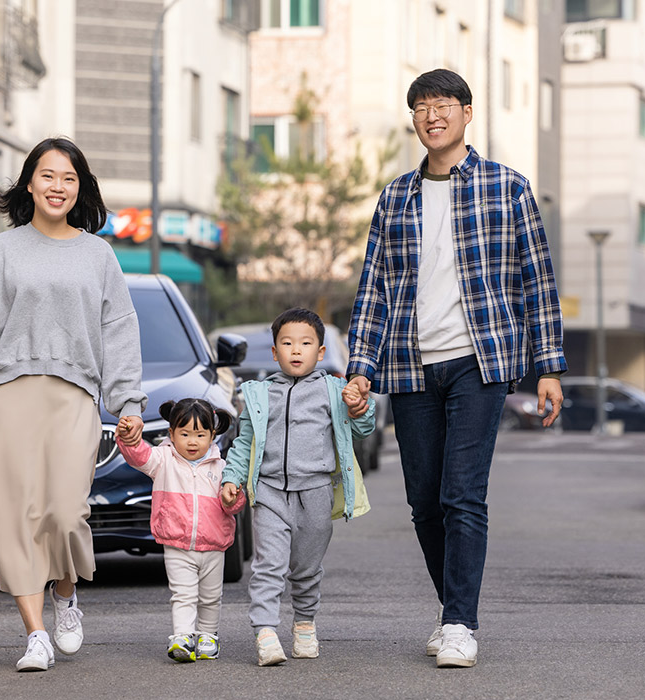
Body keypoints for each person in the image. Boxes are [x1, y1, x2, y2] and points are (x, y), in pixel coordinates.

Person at [344, 69, 568, 669]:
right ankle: (454, 611)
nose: (431, 116)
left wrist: (548, 366)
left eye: (443, 105)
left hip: (481, 360)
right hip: (412, 364)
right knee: (423, 501)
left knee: (462, 493)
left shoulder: (508, 188)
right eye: (421, 107)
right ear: (413, 119)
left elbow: (536, 280)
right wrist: (360, 367)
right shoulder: (396, 196)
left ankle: (461, 624)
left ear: (467, 113)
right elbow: (375, 286)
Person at [0, 137, 147, 672]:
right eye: (48, 176)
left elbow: (118, 331)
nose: (58, 187)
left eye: (69, 178)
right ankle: (34, 634)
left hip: (74, 396)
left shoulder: (97, 254)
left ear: (79, 188)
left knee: (63, 511)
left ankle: (65, 591)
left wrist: (127, 399)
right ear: (29, 184)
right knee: (13, 516)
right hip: (8, 394)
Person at [221, 308, 375, 666]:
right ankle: (265, 632)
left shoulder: (334, 390)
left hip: (316, 493)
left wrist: (358, 410)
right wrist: (232, 477)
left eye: (305, 343)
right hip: (270, 492)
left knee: (306, 568)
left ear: (320, 352)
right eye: (287, 343)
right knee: (267, 565)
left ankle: (304, 623)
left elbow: (363, 429)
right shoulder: (258, 394)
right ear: (274, 352)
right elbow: (244, 442)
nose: (296, 350)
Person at [115, 399, 245, 662]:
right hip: (176, 543)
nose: (192, 442)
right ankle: (183, 636)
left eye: (200, 435)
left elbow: (234, 504)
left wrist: (233, 498)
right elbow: (139, 455)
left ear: (212, 435)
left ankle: (208, 635)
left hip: (213, 544)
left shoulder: (222, 468)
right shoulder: (163, 460)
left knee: (210, 596)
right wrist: (128, 438)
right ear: (171, 434)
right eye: (184, 434)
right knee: (183, 594)